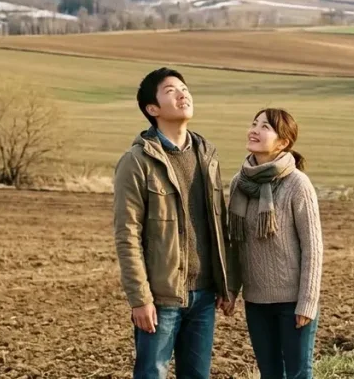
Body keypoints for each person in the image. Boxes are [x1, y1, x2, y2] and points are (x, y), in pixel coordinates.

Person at [112, 67, 238, 379]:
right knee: (151, 374)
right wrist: (140, 298)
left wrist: (225, 283)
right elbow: (127, 234)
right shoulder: (137, 161)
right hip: (162, 296)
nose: (183, 94)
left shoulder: (207, 154)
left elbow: (217, 225)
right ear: (152, 109)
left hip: (205, 294)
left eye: (184, 88)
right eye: (171, 91)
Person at [228, 108, 323, 379]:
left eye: (266, 127)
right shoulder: (239, 183)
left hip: (292, 301)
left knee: (297, 374)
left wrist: (307, 302)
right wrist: (232, 288)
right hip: (256, 301)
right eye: (254, 123)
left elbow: (312, 248)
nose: (255, 130)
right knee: (269, 374)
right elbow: (235, 242)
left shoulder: (297, 184)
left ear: (283, 143)